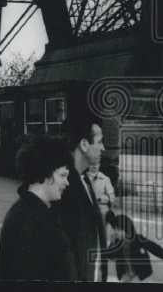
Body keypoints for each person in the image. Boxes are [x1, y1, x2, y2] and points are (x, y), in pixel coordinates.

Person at [0, 136, 75, 281]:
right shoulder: (27, 219)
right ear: (46, 173)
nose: (67, 182)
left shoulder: (33, 211)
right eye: (63, 175)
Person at [56, 116, 107, 282]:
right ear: (84, 144)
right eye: (99, 142)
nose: (103, 148)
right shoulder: (63, 188)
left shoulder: (83, 179)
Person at [105, 213, 163, 282]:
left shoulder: (138, 239)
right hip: (125, 275)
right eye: (114, 229)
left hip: (140, 274)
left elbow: (154, 247)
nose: (114, 232)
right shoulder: (117, 242)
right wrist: (113, 243)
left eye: (117, 229)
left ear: (125, 229)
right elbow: (110, 256)